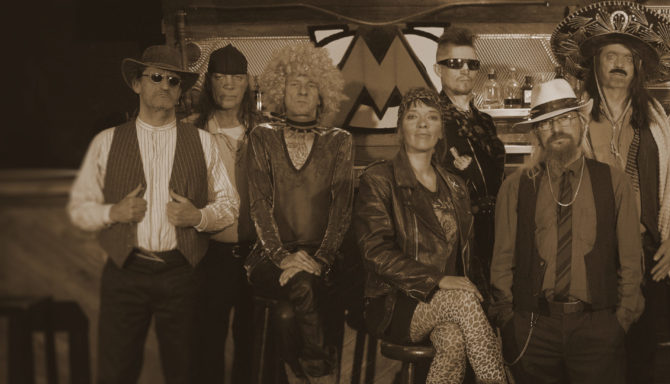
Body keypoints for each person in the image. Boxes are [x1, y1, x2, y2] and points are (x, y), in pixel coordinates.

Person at [68, 45, 239, 384]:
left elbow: (229, 205)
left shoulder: (203, 142)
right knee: (115, 374)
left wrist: (198, 217)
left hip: (182, 274)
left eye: (173, 81)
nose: (165, 85)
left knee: (187, 373)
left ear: (180, 91)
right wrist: (113, 212)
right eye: (156, 77)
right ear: (137, 84)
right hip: (124, 272)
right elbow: (79, 208)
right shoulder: (106, 142)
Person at [551, 1, 670, 383]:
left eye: (627, 57)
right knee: (599, 350)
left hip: (649, 249)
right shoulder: (575, 120)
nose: (619, 63)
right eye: (610, 55)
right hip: (593, 254)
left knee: (645, 349)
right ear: (595, 64)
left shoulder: (656, 121)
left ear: (637, 67)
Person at [490, 78, 644, 384]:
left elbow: (630, 259)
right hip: (533, 327)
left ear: (581, 123)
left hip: (597, 326)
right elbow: (502, 260)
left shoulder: (614, 182)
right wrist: (508, 320)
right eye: (546, 123)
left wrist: (622, 319)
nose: (556, 129)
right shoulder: (516, 186)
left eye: (564, 118)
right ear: (537, 133)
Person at [354, 88, 506, 384]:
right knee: (463, 301)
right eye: (413, 116)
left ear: (440, 131)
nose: (423, 124)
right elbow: (375, 252)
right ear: (400, 129)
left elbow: (467, 257)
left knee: (453, 339)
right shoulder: (379, 179)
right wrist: (437, 280)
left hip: (452, 302)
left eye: (432, 117)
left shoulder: (456, 185)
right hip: (396, 301)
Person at [245, 42, 353, 384]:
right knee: (304, 284)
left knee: (288, 312)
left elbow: (342, 209)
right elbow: (259, 203)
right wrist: (282, 257)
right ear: (281, 90)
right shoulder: (262, 137)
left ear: (323, 94)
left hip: (324, 257)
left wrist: (321, 258)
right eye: (294, 83)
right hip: (267, 257)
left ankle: (299, 372)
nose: (303, 90)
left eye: (311, 84)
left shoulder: (340, 141)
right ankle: (320, 370)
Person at [186, 44, 263, 384]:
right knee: (206, 344)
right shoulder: (191, 132)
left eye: (236, 78)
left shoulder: (265, 132)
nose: (229, 85)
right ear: (209, 83)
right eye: (220, 77)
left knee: (253, 345)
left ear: (247, 83)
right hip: (208, 255)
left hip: (257, 255)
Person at [433, 27, 506, 280]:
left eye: (472, 64)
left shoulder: (485, 121)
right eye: (455, 63)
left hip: (496, 229)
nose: (465, 69)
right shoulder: (430, 119)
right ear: (438, 70)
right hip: (455, 236)